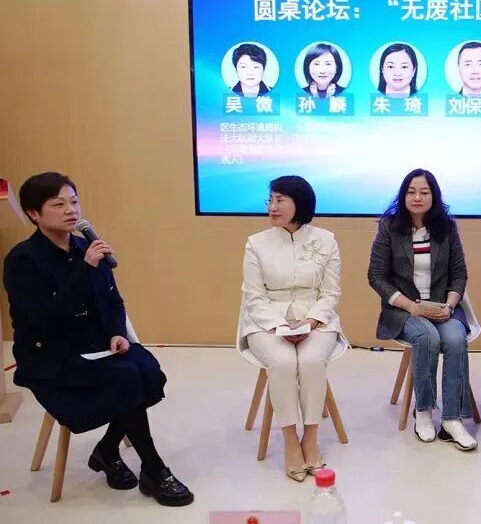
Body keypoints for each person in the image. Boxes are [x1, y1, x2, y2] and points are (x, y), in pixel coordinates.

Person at [3, 172, 193, 506]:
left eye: (74, 201)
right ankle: (154, 468)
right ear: (34, 213)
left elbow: (114, 301)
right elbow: (43, 317)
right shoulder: (23, 259)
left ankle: (106, 450)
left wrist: (117, 332)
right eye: (58, 204)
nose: (70, 210)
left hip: (95, 342)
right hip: (51, 352)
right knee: (126, 378)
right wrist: (84, 270)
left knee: (147, 370)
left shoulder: (87, 247)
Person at [238, 175, 347, 482]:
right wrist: (280, 326)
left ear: (300, 203)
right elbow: (254, 297)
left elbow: (331, 293)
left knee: (311, 361)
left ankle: (310, 439)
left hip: (316, 318)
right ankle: (289, 441)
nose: (272, 207)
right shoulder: (256, 243)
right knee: (284, 362)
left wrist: (311, 322)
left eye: (280, 200)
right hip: (266, 321)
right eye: (270, 200)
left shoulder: (326, 240)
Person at [368, 169, 477, 450]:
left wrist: (449, 305)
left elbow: (459, 274)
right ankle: (424, 412)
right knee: (427, 336)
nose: (417, 197)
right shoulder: (389, 228)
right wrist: (410, 306)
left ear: (434, 196)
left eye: (424, 192)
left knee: (455, 338)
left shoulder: (447, 228)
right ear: (403, 195)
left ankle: (452, 419)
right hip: (404, 310)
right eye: (411, 192)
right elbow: (376, 276)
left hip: (441, 306)